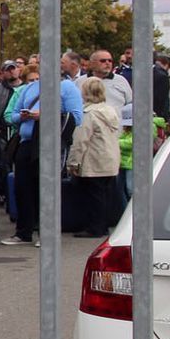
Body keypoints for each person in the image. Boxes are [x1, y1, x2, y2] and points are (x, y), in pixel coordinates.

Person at [1, 55, 81, 246]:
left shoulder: (67, 87)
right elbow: (11, 116)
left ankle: (47, 234)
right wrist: (23, 116)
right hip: (26, 142)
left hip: (49, 143)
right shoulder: (30, 87)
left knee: (44, 189)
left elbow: (76, 117)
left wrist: (43, 116)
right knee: (22, 188)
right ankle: (24, 232)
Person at [66, 76, 123, 238]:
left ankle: (94, 227)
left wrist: (73, 162)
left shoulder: (89, 114)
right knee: (104, 195)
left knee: (92, 196)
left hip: (93, 160)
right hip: (110, 159)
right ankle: (103, 225)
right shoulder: (111, 112)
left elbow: (80, 141)